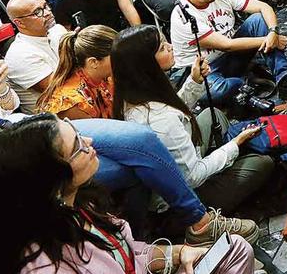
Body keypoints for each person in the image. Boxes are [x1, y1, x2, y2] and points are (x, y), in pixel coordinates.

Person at [0, 20, 258, 257]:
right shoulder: (75, 96)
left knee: (141, 139)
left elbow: (8, 106)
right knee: (138, 165)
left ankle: (182, 225)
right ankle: (170, 233)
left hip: (26, 130)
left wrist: (0, 95)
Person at [0, 114, 257, 274]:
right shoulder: (46, 268)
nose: (90, 141)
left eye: (77, 132)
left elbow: (130, 252)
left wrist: (181, 252)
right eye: (77, 147)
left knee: (236, 249)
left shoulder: (79, 204)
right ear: (51, 182)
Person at [113, 25, 274, 212]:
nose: (171, 46)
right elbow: (193, 177)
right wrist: (235, 145)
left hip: (178, 166)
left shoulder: (132, 94)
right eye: (163, 48)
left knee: (212, 114)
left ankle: (223, 159)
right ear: (146, 63)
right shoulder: (160, 120)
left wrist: (194, 82)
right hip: (179, 200)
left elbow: (173, 108)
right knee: (262, 163)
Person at [37, 25, 116, 120]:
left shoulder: (104, 74)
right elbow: (97, 134)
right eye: (117, 56)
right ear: (93, 62)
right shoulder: (72, 103)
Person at [5, 0, 67, 113]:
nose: (48, 12)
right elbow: (59, 89)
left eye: (46, 6)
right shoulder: (19, 55)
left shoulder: (57, 30)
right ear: (19, 23)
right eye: (38, 12)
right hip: (53, 117)